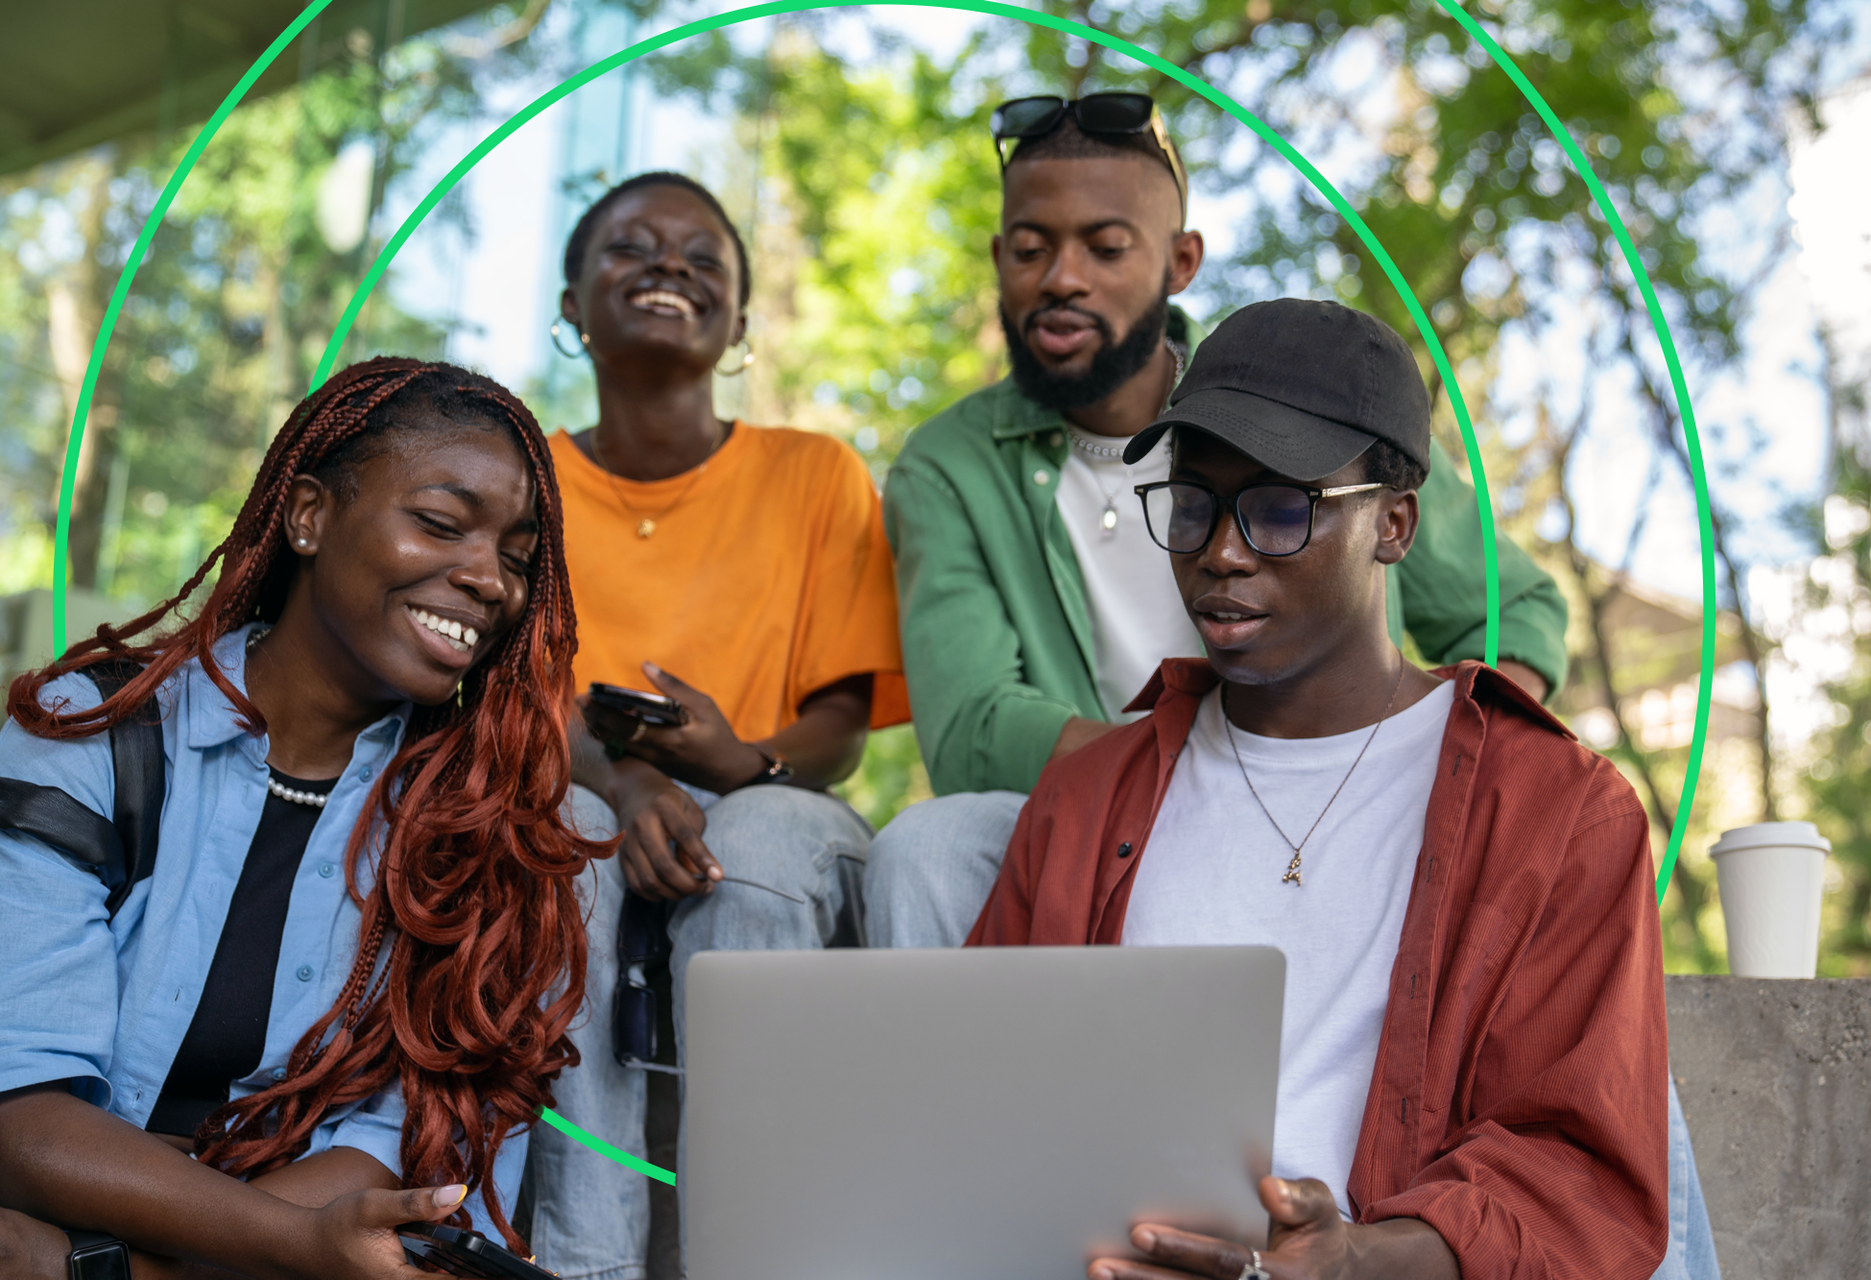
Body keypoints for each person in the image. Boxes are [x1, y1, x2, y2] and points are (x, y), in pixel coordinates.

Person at [967, 299, 1669, 1280]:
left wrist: (1364, 1258)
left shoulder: (1559, 811)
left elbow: (1580, 1175)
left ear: (1394, 522)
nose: (1221, 549)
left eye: (1281, 507)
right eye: (1194, 503)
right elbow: (980, 1102)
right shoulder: (1087, 796)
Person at [865, 97, 1569, 952]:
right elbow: (974, 731)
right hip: (1092, 817)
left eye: (1107, 246)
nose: (1061, 277)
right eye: (1029, 248)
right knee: (928, 849)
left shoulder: (1303, 397)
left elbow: (1515, 610)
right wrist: (1186, 772)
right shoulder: (948, 463)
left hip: (1329, 799)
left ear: (1181, 261)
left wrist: (1457, 781)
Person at [0, 359, 596, 1279]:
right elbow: (19, 1114)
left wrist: (102, 1269)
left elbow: (406, 1149)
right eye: (440, 524)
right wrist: (293, 1243)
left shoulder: (484, 823)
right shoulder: (93, 737)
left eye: (516, 560)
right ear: (309, 515)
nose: (489, 580)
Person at [528, 171, 908, 1278]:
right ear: (570, 304)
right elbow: (505, 701)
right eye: (632, 248)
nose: (668, 268)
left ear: (740, 321)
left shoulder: (816, 474)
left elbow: (843, 718)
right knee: (560, 837)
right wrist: (628, 781)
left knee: (764, 841)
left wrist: (743, 761)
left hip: (768, 803)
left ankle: (756, 1253)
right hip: (577, 793)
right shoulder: (522, 477)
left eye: (704, 260)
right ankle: (584, 1262)